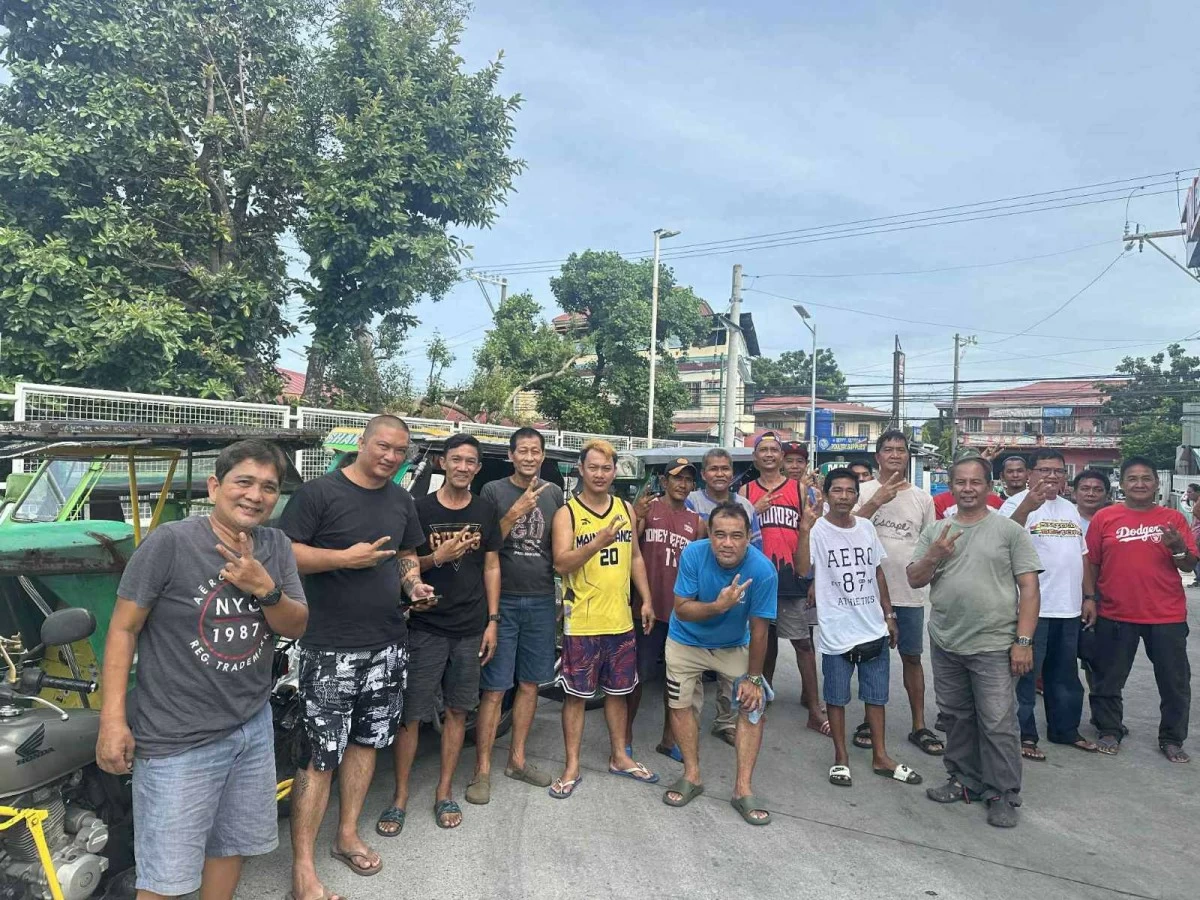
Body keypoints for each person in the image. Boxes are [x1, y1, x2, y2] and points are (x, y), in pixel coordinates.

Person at [96, 441, 309, 900]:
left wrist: (264, 588)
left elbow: (296, 623)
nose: (255, 495)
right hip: (177, 739)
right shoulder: (170, 543)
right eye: (244, 482)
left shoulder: (276, 547)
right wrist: (112, 721)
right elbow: (123, 629)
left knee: (231, 846)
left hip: (251, 725)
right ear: (216, 486)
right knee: (165, 875)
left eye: (269, 487)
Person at [281, 415, 435, 900]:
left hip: (388, 643)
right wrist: (342, 559)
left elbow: (406, 553)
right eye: (383, 447)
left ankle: (346, 833)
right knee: (318, 757)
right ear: (363, 443)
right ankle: (303, 867)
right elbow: (284, 553)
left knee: (368, 744)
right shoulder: (319, 495)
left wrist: (413, 583)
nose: (391, 457)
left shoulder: (401, 500)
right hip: (329, 648)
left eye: (400, 451)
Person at [908, 454, 1042, 828]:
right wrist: (936, 554)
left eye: (975, 482)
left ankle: (1002, 793)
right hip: (946, 640)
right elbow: (915, 579)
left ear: (989, 486)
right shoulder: (936, 531)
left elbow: (1029, 589)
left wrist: (1023, 641)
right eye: (960, 482)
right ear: (950, 486)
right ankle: (964, 780)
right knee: (956, 717)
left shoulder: (1008, 531)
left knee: (998, 722)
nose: (967, 489)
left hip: (995, 643)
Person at [383, 433, 502, 833]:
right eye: (457, 460)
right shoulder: (419, 508)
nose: (463, 467)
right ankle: (399, 796)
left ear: (477, 468)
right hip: (427, 627)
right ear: (443, 463)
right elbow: (405, 561)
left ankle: (444, 791)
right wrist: (438, 557)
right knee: (411, 715)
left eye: (471, 461)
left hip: (470, 629)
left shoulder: (486, 511)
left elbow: (491, 567)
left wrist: (493, 621)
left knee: (457, 711)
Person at [798, 468, 922, 788]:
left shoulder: (866, 527)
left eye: (849, 491)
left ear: (857, 496)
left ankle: (881, 756)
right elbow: (801, 569)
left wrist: (889, 614)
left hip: (873, 628)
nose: (843, 496)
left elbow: (877, 571)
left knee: (876, 697)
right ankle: (841, 758)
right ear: (826, 495)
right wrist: (804, 528)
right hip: (837, 630)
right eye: (836, 490)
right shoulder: (818, 530)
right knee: (837, 699)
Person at [550, 439, 657, 797]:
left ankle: (619, 757)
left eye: (606, 468)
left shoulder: (626, 508)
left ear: (615, 472)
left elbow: (636, 558)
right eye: (593, 467)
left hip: (620, 621)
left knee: (618, 693)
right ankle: (571, 766)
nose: (600, 474)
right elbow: (561, 563)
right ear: (581, 469)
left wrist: (645, 599)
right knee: (576, 697)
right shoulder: (568, 513)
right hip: (581, 621)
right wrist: (597, 541)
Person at [661, 502, 777, 825]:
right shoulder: (693, 555)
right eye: (720, 535)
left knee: (754, 707)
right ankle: (692, 775)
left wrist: (755, 679)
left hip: (733, 645)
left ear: (749, 536)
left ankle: (743, 789)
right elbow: (682, 609)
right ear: (709, 535)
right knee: (680, 705)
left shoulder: (763, 570)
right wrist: (719, 606)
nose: (728, 543)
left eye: (737, 535)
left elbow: (760, 630)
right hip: (686, 639)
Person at [1084, 457, 1197, 763]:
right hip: (1116, 613)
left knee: (1174, 682)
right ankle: (1109, 729)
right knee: (1107, 678)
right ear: (1122, 484)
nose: (1140, 484)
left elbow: (1188, 564)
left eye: (1146, 478)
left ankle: (1172, 738)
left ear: (1156, 484)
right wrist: (1090, 598)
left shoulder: (1174, 518)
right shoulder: (1105, 518)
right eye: (1132, 479)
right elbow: (1091, 562)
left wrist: (1176, 546)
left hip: (1166, 615)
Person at [474, 427, 563, 795]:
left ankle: (517, 761)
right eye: (522, 451)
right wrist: (514, 513)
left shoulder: (555, 494)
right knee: (495, 688)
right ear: (511, 455)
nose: (529, 457)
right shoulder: (493, 491)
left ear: (542, 456)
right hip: (503, 601)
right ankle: (482, 770)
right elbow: (482, 542)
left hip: (542, 599)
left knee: (529, 685)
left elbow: (560, 550)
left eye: (535, 451)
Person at [999, 449, 1097, 759]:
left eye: (1058, 470)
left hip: (1068, 609)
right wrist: (1028, 507)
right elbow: (1001, 541)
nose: (1051, 476)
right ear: (1030, 474)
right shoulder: (1015, 504)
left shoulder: (1070, 509)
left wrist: (1089, 597)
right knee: (1025, 676)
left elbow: (1080, 555)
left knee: (1064, 675)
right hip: (1032, 610)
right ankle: (1024, 735)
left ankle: (1065, 730)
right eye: (1044, 470)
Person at [852, 430, 941, 758]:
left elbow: (931, 545)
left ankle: (919, 725)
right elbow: (845, 530)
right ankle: (867, 721)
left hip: (910, 594)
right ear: (877, 456)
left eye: (900, 450)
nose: (894, 455)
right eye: (887, 450)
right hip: (867, 593)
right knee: (870, 658)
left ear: (907, 456)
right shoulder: (862, 492)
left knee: (912, 658)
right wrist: (876, 502)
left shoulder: (922, 498)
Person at [742, 431, 826, 736]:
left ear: (780, 456)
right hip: (758, 578)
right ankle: (763, 694)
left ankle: (814, 708)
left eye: (773, 450)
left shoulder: (801, 491)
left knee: (802, 641)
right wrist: (754, 509)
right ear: (755, 457)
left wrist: (814, 577)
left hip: (793, 576)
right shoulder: (746, 491)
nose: (768, 454)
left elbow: (815, 535)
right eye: (762, 450)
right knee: (764, 641)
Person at [629, 458, 705, 762]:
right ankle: (625, 739)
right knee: (638, 677)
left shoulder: (696, 521)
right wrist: (637, 517)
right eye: (677, 478)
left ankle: (668, 739)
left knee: (676, 681)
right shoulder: (649, 508)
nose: (682, 484)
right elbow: (630, 547)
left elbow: (699, 566)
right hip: (647, 609)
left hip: (680, 614)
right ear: (664, 481)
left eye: (688, 479)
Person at [686, 447, 763, 744]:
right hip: (698, 592)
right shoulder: (692, 502)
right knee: (690, 658)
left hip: (737, 590)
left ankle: (726, 721)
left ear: (733, 474)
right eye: (713, 469)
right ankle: (686, 721)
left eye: (725, 469)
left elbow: (755, 548)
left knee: (734, 664)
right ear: (704, 474)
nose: (720, 474)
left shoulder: (744, 505)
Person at [1072, 469, 1112, 536]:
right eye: (1085, 489)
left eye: (1098, 490)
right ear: (1074, 494)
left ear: (1107, 496)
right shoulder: (1065, 518)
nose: (1091, 494)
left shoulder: (1115, 521)